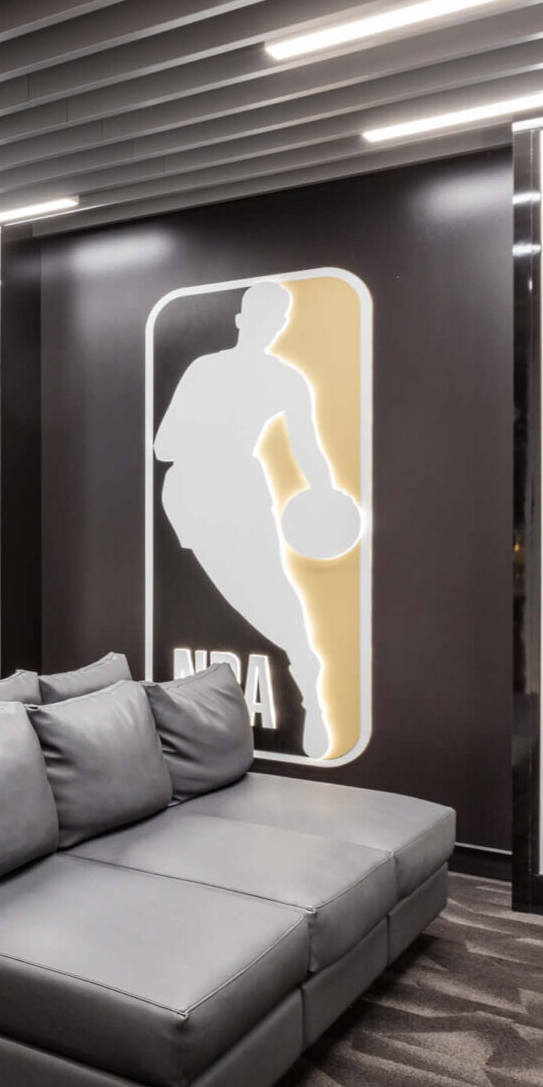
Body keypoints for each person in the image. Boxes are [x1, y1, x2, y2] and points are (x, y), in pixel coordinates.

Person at [152, 278, 359, 759]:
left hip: (243, 490)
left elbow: (309, 452)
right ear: (243, 320)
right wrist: (216, 434)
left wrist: (326, 499)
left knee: (279, 596)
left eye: (276, 321)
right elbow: (164, 445)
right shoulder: (208, 369)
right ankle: (300, 672)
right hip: (193, 494)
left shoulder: (285, 379)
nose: (268, 328)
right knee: (247, 597)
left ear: (280, 326)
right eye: (262, 318)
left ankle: (308, 684)